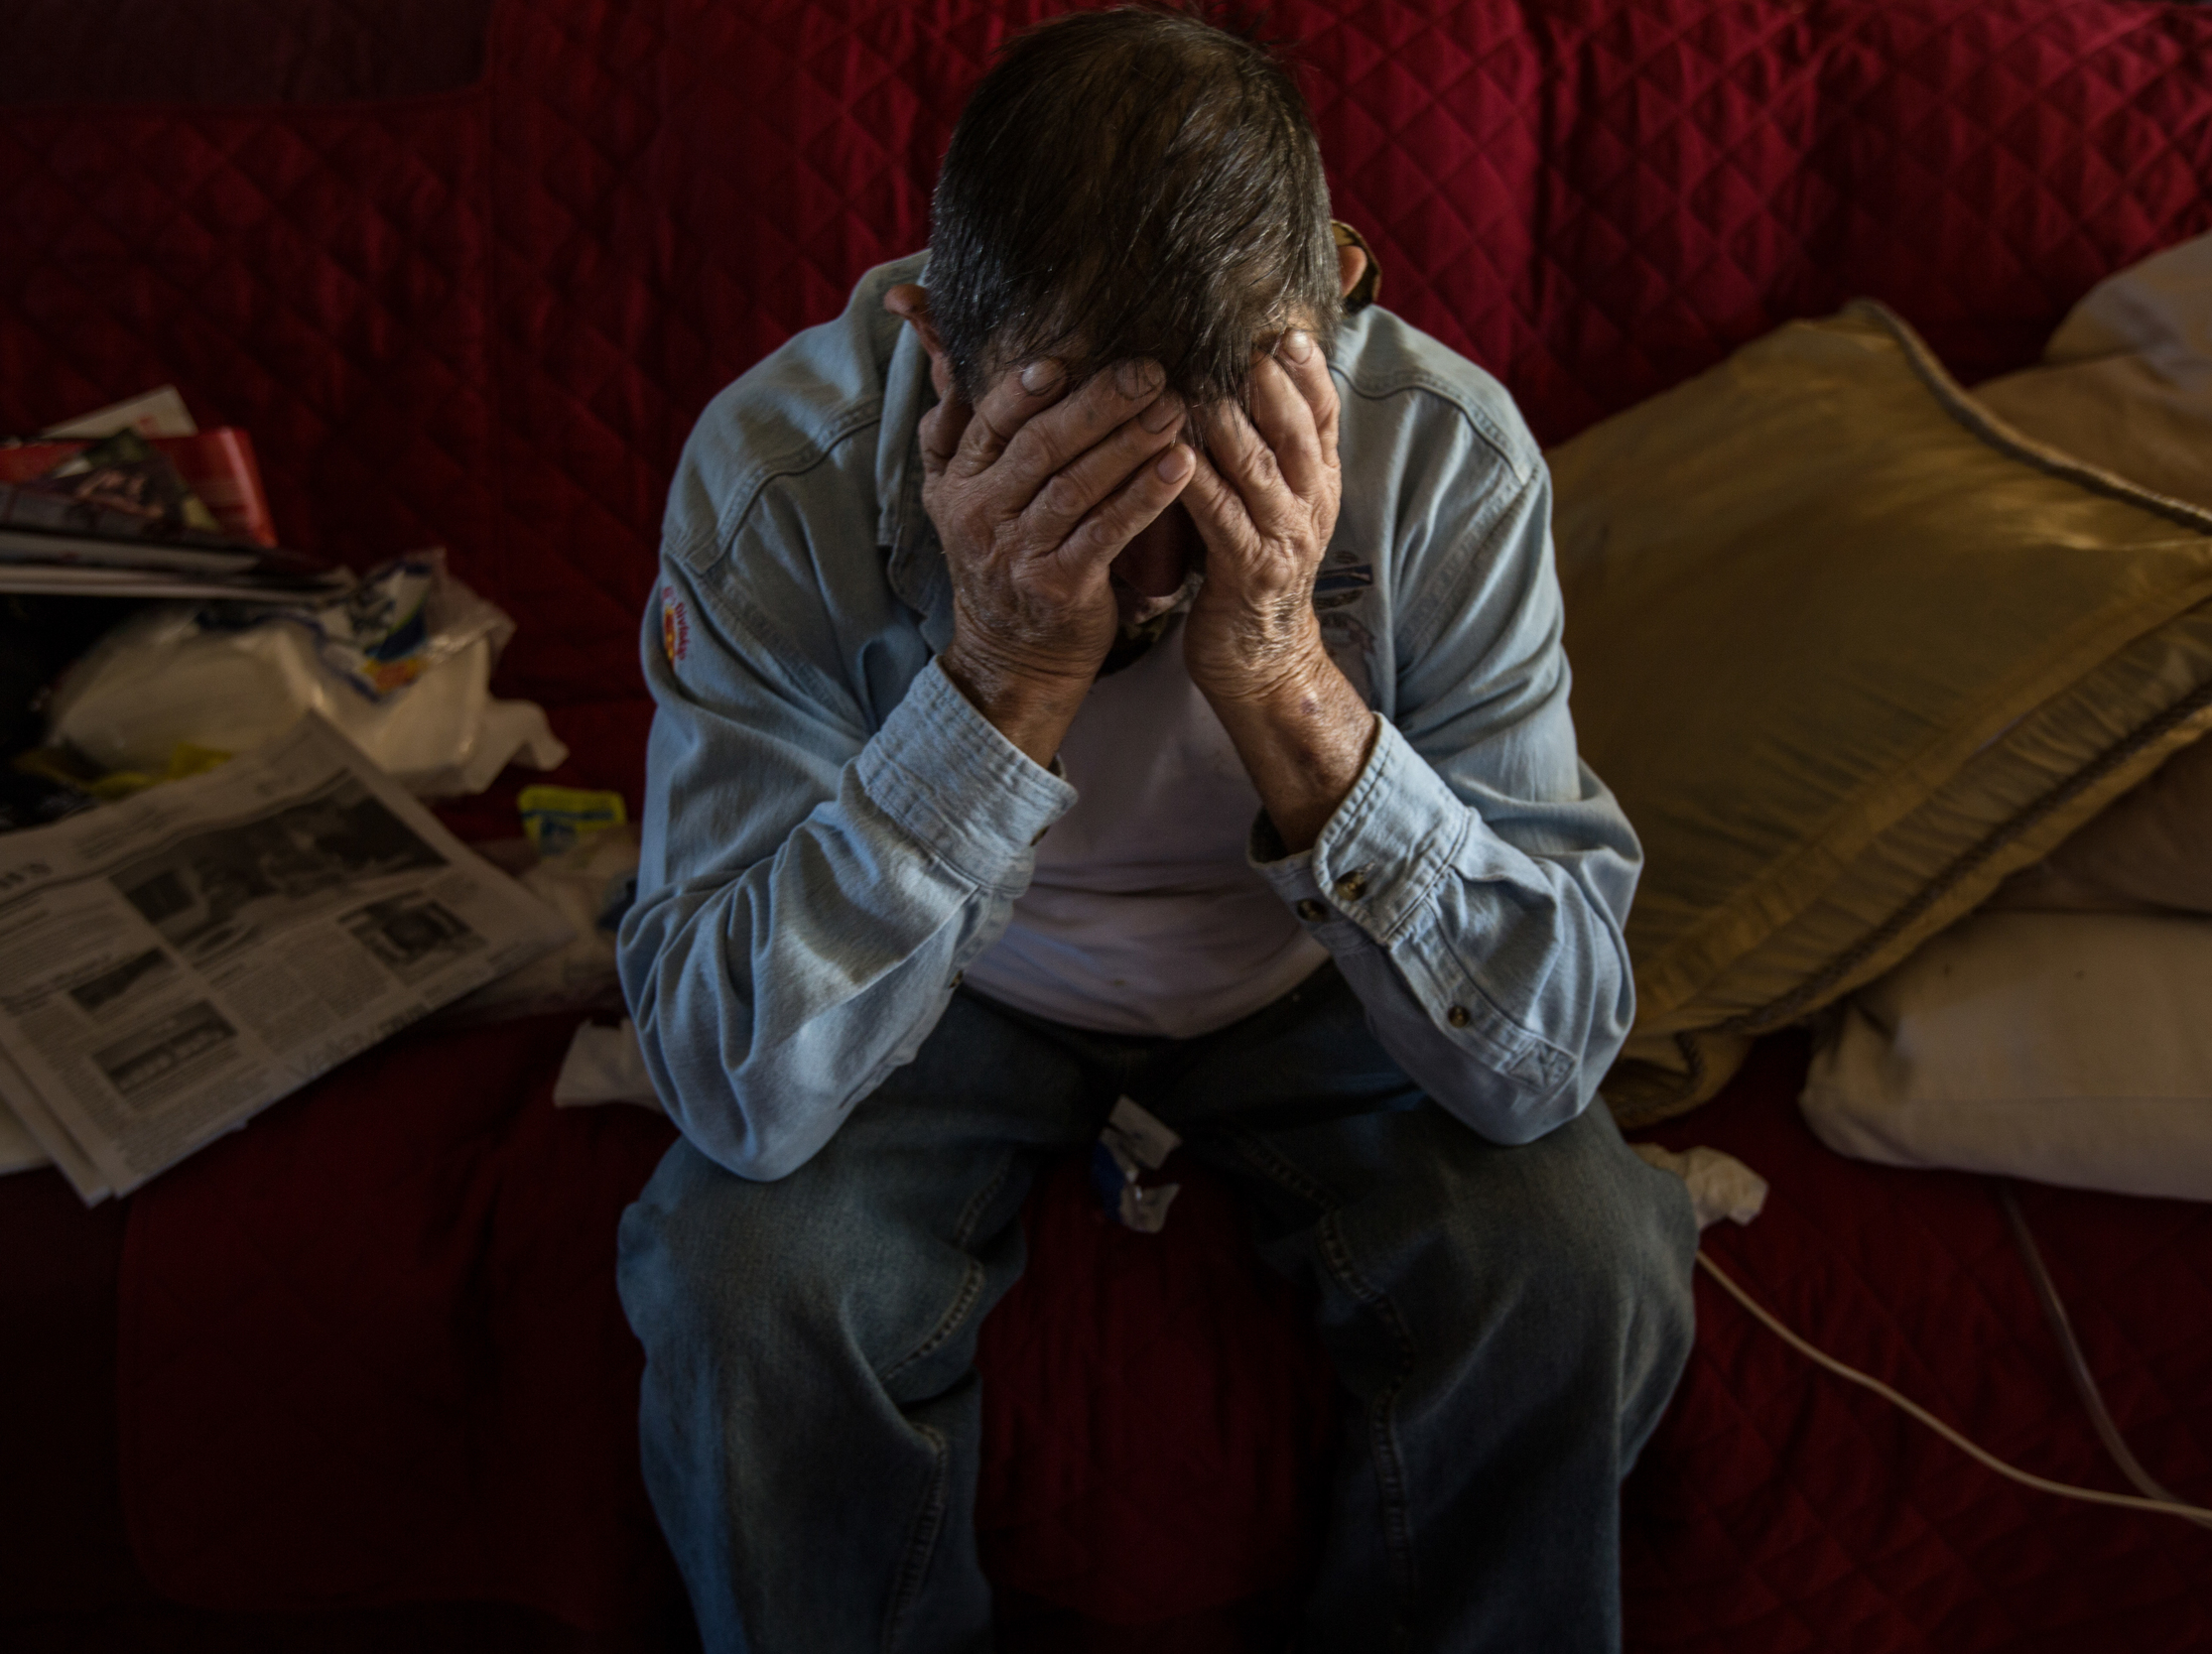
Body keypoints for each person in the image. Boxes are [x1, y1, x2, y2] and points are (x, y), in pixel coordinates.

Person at [613, 8, 1698, 1650]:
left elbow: (1546, 1055)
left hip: (1309, 985)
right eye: (1066, 473)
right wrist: (1002, 668)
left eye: (1212, 478)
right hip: (949, 994)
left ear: (1331, 315)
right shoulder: (780, 475)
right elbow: (728, 1085)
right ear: (937, 352)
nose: (1152, 571)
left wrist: (1278, 666)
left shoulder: (1447, 459)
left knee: (1587, 1261)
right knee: (742, 1282)